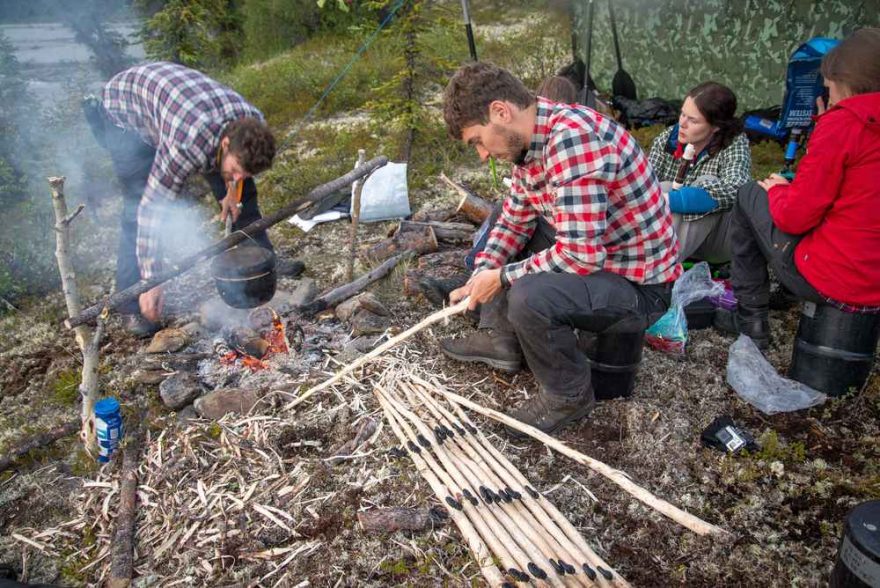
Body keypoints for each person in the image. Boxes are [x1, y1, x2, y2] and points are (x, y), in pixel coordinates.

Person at [439, 62, 681, 435]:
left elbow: (581, 254)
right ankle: (501, 339)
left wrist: (502, 278)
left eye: (477, 141)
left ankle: (567, 395)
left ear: (501, 112)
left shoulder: (572, 140)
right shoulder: (531, 143)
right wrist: (481, 273)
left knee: (529, 294)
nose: (482, 155)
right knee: (513, 229)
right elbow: (515, 219)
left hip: (638, 288)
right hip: (604, 262)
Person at [83, 62, 302, 337]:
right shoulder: (186, 146)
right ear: (224, 145)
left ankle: (260, 261)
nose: (237, 176)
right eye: (234, 171)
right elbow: (152, 210)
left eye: (243, 172)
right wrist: (153, 281)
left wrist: (232, 190)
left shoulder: (252, 123)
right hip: (126, 114)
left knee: (244, 196)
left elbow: (238, 175)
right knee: (135, 209)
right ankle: (131, 303)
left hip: (183, 108)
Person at [724, 28, 880, 350]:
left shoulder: (843, 124)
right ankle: (786, 294)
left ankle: (751, 316)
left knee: (748, 195)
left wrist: (777, 190)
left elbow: (794, 218)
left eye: (829, 89)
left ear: (846, 83)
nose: (829, 98)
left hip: (837, 279)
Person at [647, 81, 751, 262]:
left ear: (716, 126)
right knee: (662, 186)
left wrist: (673, 200)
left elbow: (736, 189)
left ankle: (662, 266)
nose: (682, 124)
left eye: (693, 120)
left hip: (716, 242)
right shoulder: (668, 139)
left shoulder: (734, 143)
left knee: (707, 181)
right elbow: (643, 183)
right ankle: (646, 256)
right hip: (670, 233)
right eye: (682, 114)